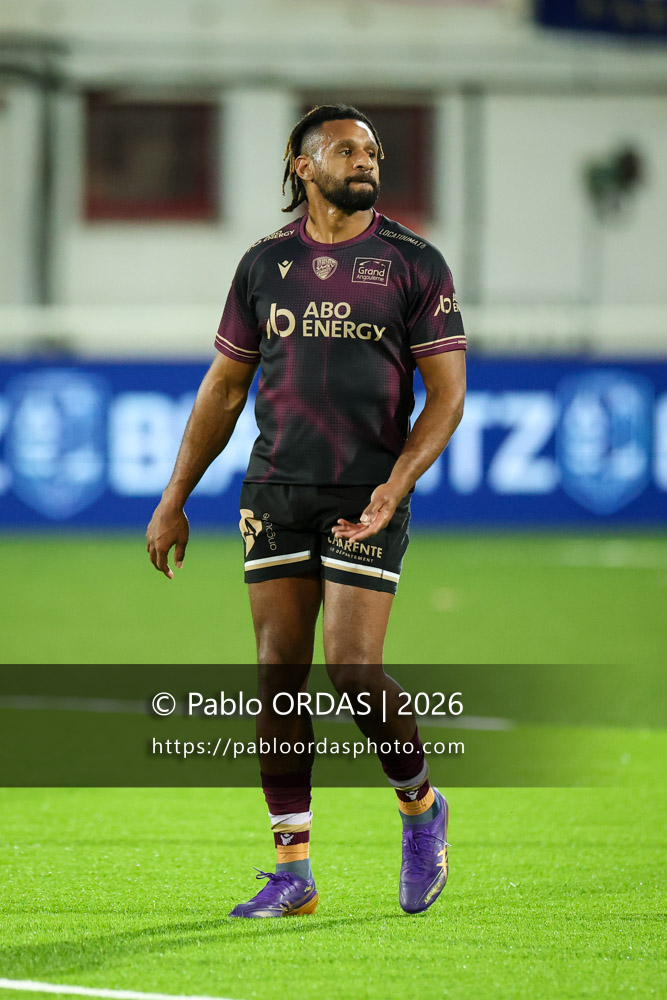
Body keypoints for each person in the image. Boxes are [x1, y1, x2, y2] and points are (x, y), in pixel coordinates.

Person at [146, 104, 466, 918]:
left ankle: (421, 808)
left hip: (367, 493)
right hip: (276, 491)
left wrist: (396, 485)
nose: (366, 160)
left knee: (352, 671)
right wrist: (175, 496)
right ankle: (293, 870)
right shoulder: (264, 265)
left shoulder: (413, 262)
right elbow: (224, 390)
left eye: (373, 151)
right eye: (347, 149)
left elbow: (448, 397)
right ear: (301, 164)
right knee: (277, 678)